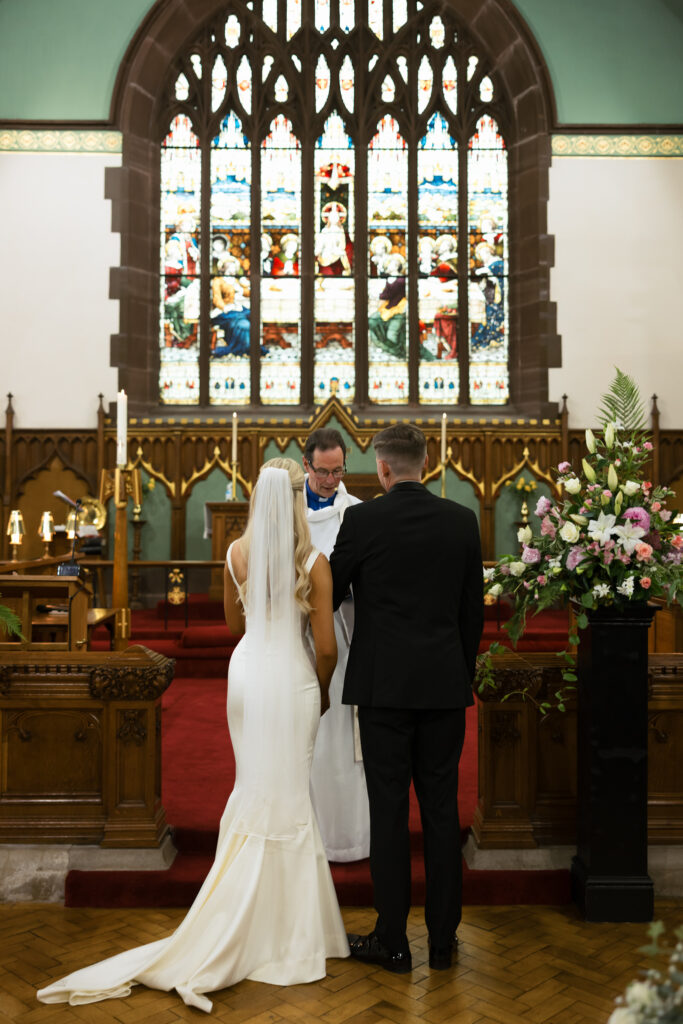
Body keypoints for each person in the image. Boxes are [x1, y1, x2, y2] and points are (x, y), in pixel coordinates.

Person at [37, 459, 349, 1013]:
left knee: (251, 785)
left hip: (249, 673)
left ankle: (236, 912)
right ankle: (294, 931)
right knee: (291, 794)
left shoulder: (236, 555)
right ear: (299, 500)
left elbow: (233, 627)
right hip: (294, 678)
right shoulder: (314, 563)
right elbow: (326, 648)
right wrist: (320, 689)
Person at [330, 424, 484, 974]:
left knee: (389, 813)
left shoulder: (362, 519)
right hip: (444, 688)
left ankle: (392, 942)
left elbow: (332, 590)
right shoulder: (462, 521)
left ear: (383, 469)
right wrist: (456, 674)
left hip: (383, 690)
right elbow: (473, 613)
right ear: (427, 462)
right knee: (443, 813)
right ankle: (443, 942)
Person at [303, 428, 370, 862]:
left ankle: (346, 839)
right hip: (296, 638)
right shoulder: (285, 511)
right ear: (306, 465)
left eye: (338, 470)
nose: (331, 480)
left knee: (341, 739)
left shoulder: (358, 513)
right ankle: (305, 836)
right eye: (323, 471)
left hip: (343, 639)